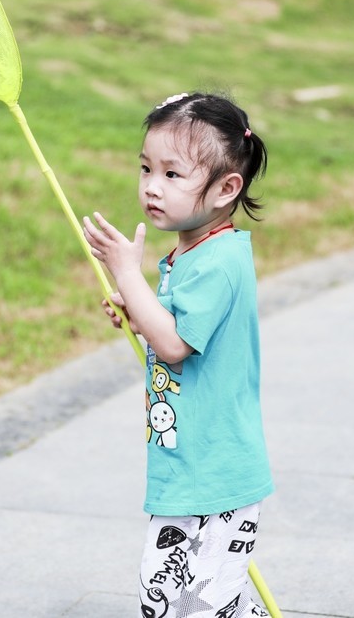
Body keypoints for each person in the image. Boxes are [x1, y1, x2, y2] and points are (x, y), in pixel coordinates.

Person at [83, 92, 274, 618]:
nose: (150, 186)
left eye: (172, 174)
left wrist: (127, 272)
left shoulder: (219, 262)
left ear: (225, 189)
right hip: (188, 465)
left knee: (172, 602)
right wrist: (140, 307)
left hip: (215, 472)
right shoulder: (190, 253)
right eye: (145, 168)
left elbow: (174, 345)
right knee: (194, 604)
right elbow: (171, 328)